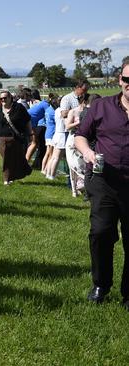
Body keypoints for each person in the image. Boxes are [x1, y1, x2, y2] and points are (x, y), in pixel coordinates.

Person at [74, 59, 129, 308]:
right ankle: (100, 285)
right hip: (104, 181)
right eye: (127, 80)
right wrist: (87, 153)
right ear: (120, 80)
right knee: (101, 233)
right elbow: (81, 136)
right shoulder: (101, 106)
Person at [0, 90, 33, 185]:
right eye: (1, 98)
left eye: (5, 98)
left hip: (17, 138)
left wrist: (30, 134)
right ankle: (6, 179)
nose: (3, 99)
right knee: (6, 159)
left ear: (10, 98)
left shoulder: (19, 108)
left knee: (17, 159)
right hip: (2, 139)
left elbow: (27, 120)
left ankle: (21, 171)